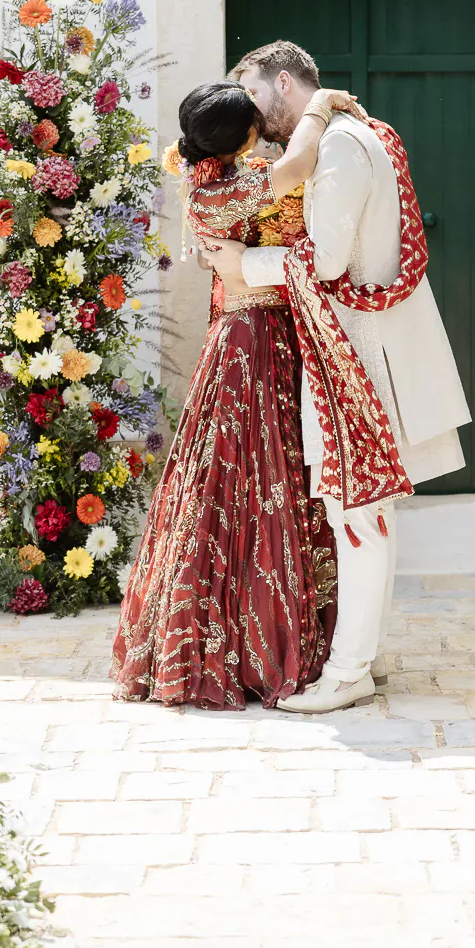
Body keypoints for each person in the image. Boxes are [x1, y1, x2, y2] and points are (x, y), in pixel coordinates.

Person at [207, 41, 470, 714]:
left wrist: (245, 264)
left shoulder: (342, 145)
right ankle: (359, 662)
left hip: (357, 353)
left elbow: (323, 261)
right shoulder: (356, 134)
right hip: (356, 346)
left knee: (355, 509)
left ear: (286, 83)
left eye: (255, 94)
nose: (248, 110)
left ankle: (349, 670)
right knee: (365, 510)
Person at [111, 80, 359, 709]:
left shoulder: (215, 176)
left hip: (254, 334)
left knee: (241, 481)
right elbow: (299, 165)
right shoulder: (225, 188)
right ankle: (260, 649)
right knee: (259, 478)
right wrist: (319, 106)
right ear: (244, 136)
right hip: (254, 340)